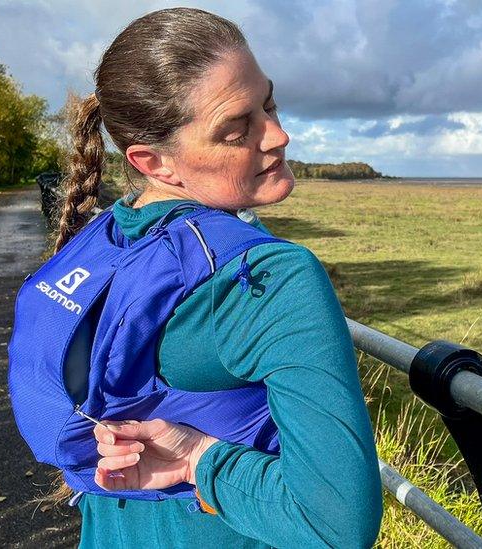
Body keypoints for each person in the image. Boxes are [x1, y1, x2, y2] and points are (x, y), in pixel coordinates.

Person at [50, 7, 382, 548]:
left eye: (269, 104)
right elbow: (336, 524)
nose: (279, 135)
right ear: (155, 162)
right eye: (236, 131)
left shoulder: (106, 242)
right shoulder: (271, 277)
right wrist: (195, 458)